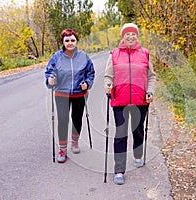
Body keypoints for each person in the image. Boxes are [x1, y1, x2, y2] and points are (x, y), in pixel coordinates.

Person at [104, 23, 156, 185]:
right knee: (120, 134)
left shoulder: (145, 54)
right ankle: (119, 170)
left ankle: (138, 154)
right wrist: (108, 85)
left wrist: (150, 91)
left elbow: (152, 76)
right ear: (123, 37)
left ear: (137, 36)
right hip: (120, 101)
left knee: (138, 130)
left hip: (141, 101)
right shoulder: (114, 55)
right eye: (127, 34)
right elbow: (108, 76)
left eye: (133, 34)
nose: (130, 37)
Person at [45, 28, 95, 163]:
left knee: (77, 119)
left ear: (76, 41)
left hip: (79, 94)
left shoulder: (83, 56)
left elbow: (91, 73)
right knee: (62, 121)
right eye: (67, 41)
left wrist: (87, 83)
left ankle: (75, 142)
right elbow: (49, 72)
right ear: (63, 42)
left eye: (73, 40)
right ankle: (62, 149)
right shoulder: (57, 57)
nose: (70, 43)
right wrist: (50, 80)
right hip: (61, 93)